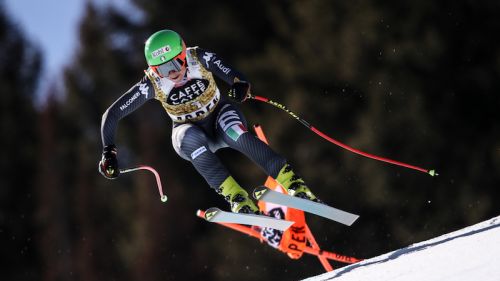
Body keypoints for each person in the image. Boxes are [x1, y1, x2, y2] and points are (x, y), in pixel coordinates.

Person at [98, 29, 318, 214]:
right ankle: (237, 197)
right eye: (163, 69)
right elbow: (112, 113)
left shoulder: (198, 58)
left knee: (234, 131)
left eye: (176, 63)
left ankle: (292, 183)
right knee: (188, 138)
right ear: (153, 70)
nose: (172, 73)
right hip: (189, 129)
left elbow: (231, 73)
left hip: (219, 115)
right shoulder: (151, 85)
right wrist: (109, 152)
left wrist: (239, 84)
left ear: (184, 54)